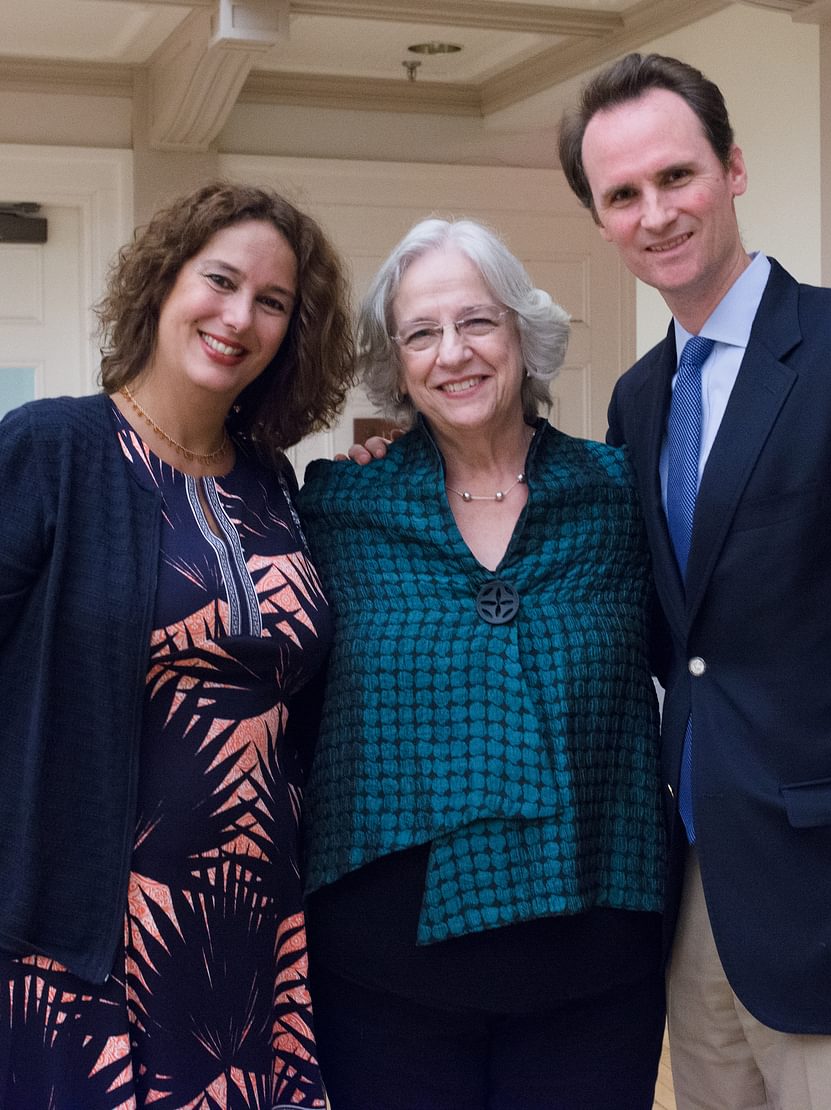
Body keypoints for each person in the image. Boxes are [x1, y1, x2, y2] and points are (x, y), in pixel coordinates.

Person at [296, 216, 667, 1110]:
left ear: (522, 334)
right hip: (383, 976)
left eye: (476, 322)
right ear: (397, 363)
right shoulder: (340, 507)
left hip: (595, 966)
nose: (452, 352)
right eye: (421, 333)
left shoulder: (620, 495)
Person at [0, 181, 354, 1108]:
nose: (239, 318)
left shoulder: (273, 485)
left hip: (252, 930)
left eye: (272, 302)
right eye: (221, 281)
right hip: (89, 936)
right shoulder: (52, 450)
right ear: (164, 282)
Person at [555, 52, 831, 1109]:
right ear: (601, 220)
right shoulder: (639, 401)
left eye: (676, 175)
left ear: (732, 168)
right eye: (623, 195)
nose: (656, 214)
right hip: (697, 898)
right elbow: (663, 633)